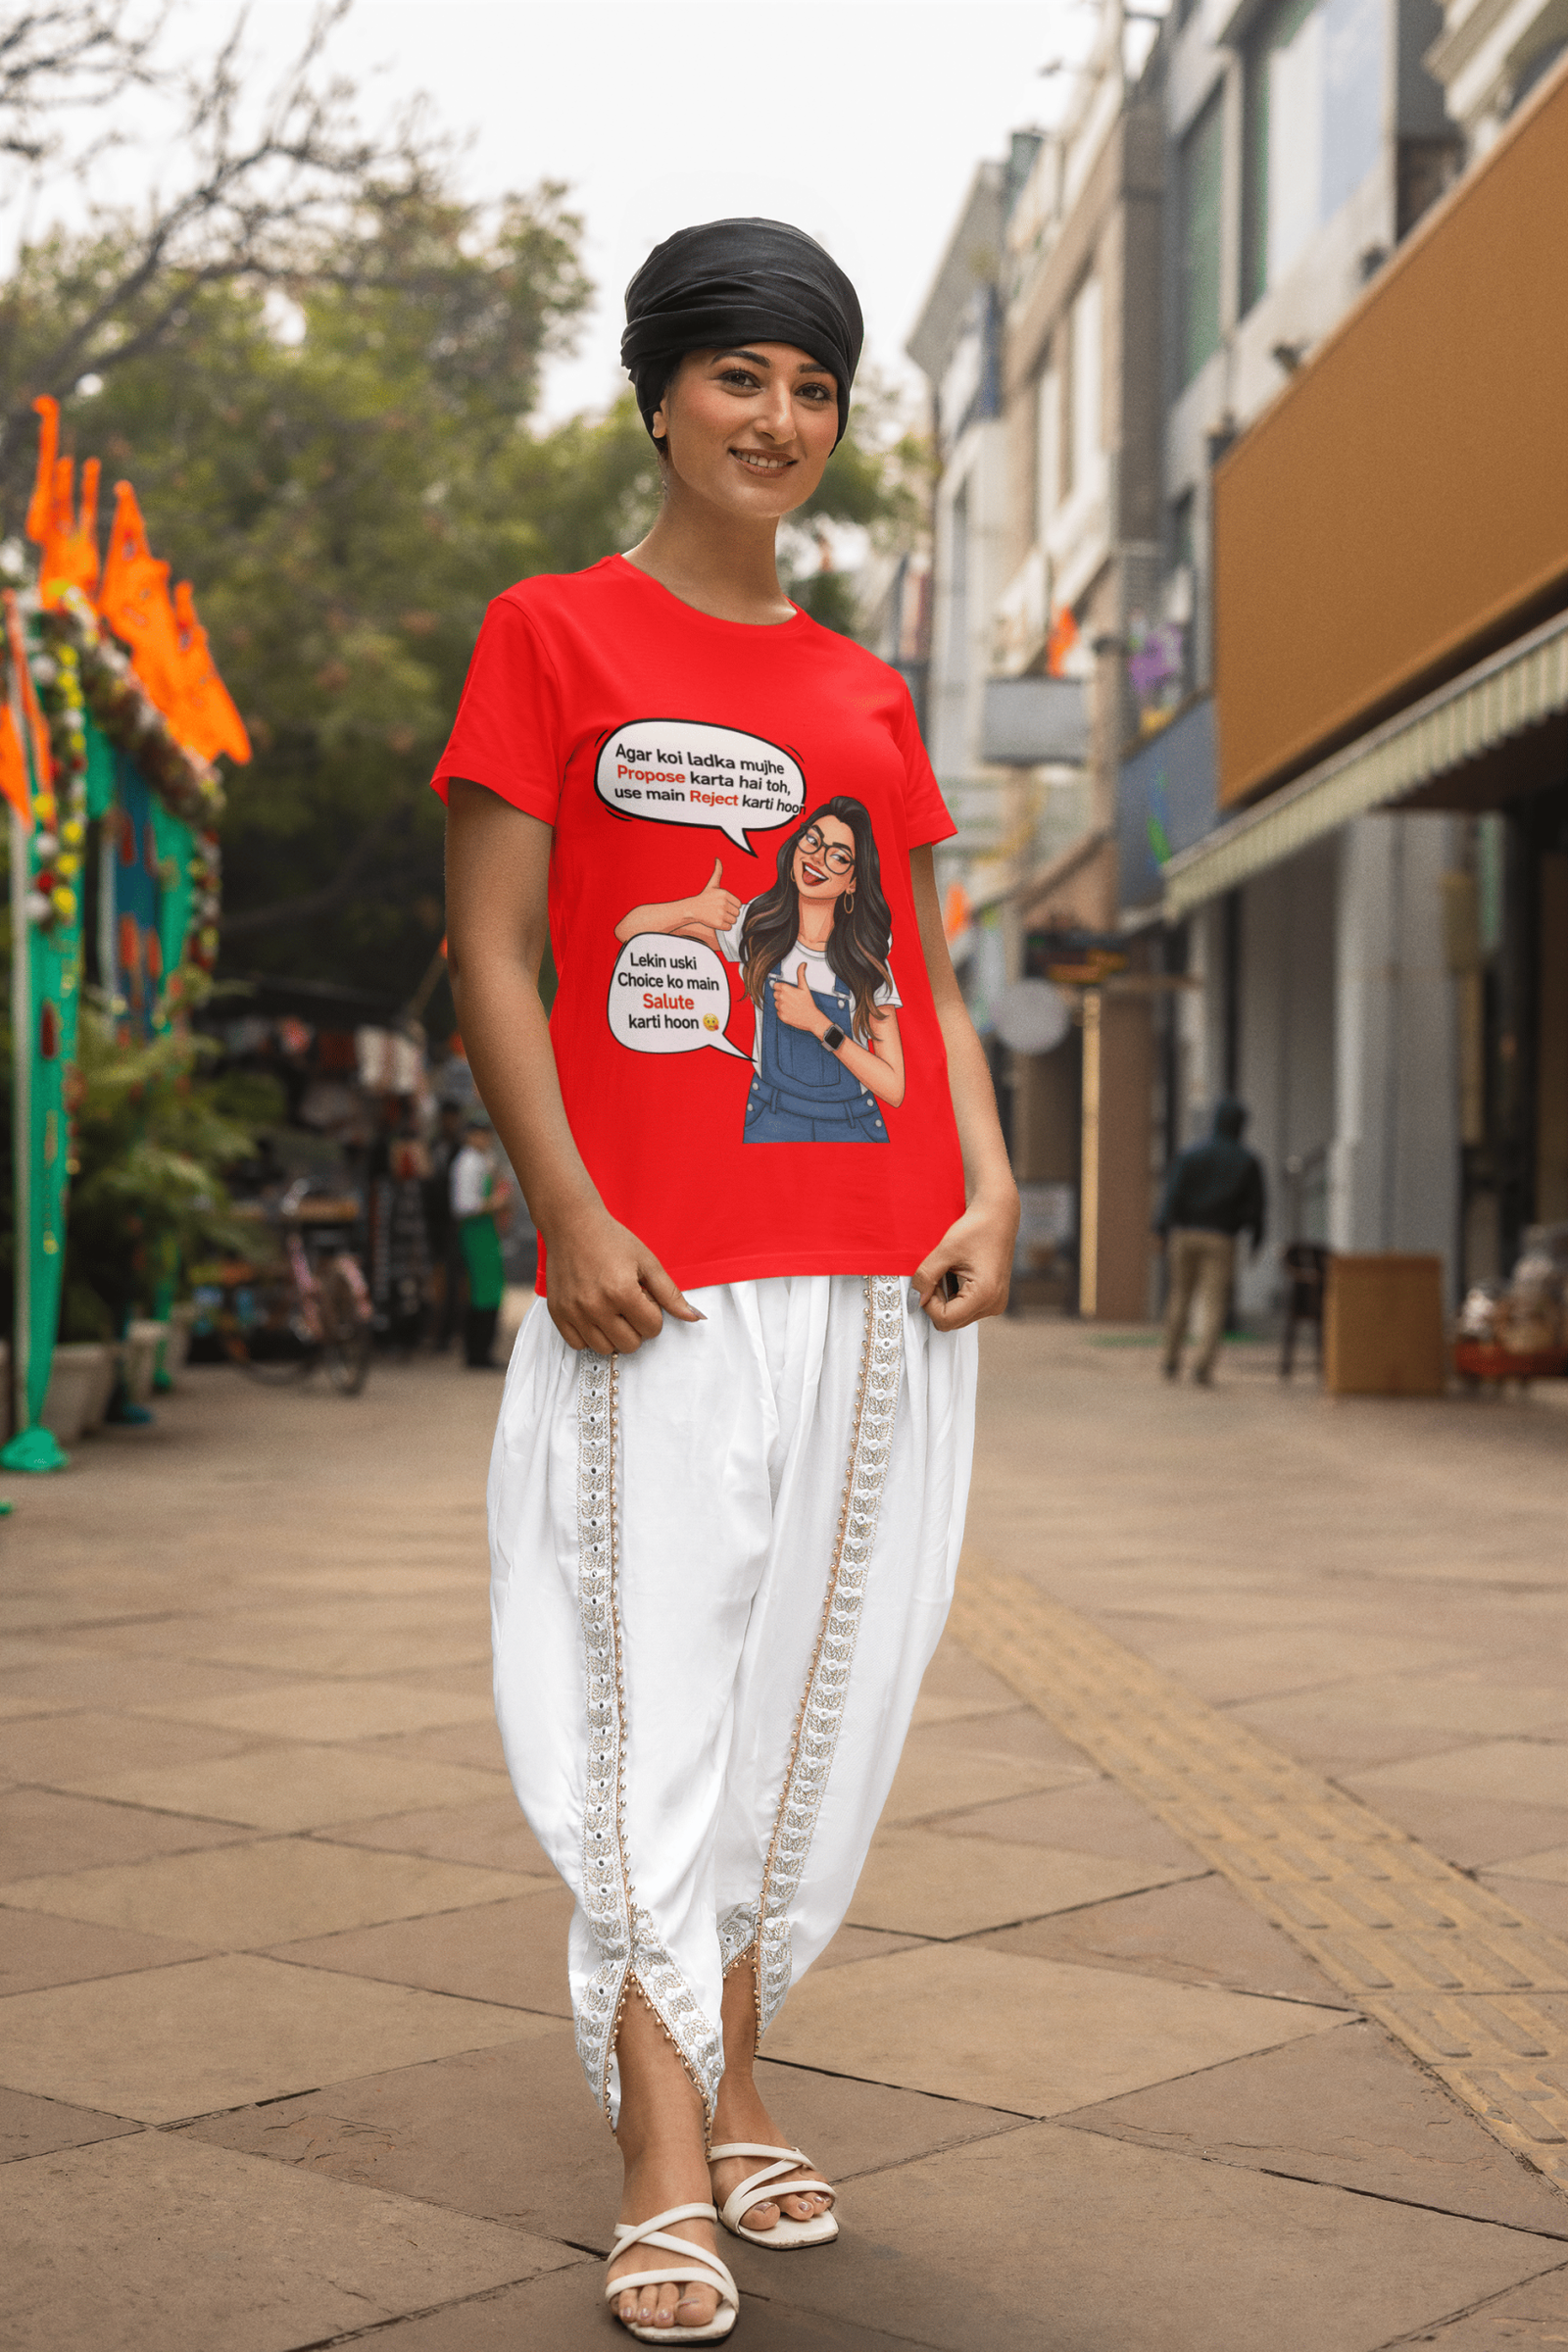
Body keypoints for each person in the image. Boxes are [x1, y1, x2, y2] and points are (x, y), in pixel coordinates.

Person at [438, 215, 1017, 2345]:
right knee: (638, 1707)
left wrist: (995, 1176)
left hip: (878, 1276)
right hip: (649, 1283)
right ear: (658, 393)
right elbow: (495, 953)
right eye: (739, 379)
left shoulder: (859, 682)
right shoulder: (550, 637)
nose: (777, 421)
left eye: (812, 390)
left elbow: (915, 980)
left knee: (806, 1715)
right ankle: (655, 2144)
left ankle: (746, 2068)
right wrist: (571, 1205)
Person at [614, 798, 903, 1142]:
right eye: (812, 840)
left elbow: (893, 1086)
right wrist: (691, 908)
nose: (817, 858)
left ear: (853, 882)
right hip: (773, 1118)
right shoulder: (759, 931)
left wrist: (818, 1025)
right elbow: (628, 931)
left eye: (838, 857)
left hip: (853, 1124)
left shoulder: (866, 962)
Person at [1154, 1096, 1266, 1386]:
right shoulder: (1247, 1161)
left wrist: (1162, 1228)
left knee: (1180, 1295)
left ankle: (1170, 1359)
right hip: (1221, 1237)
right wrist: (1255, 1237)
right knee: (1215, 1303)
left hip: (1185, 1234)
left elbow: (1172, 1194)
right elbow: (1256, 1206)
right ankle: (1202, 1366)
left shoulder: (1191, 1155)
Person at [449, 1111, 507, 1368]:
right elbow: (464, 1205)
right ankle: (477, 1352)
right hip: (475, 1231)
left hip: (486, 1233)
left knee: (489, 1291)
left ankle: (483, 1350)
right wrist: (494, 1203)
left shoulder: (484, 1161)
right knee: (480, 1293)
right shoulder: (468, 1162)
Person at [424, 1098, 467, 1348]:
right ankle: (434, 1329)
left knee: (453, 1279)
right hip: (433, 1220)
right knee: (434, 1278)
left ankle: (449, 1332)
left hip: (453, 1222)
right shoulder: (431, 1146)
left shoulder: (462, 1151)